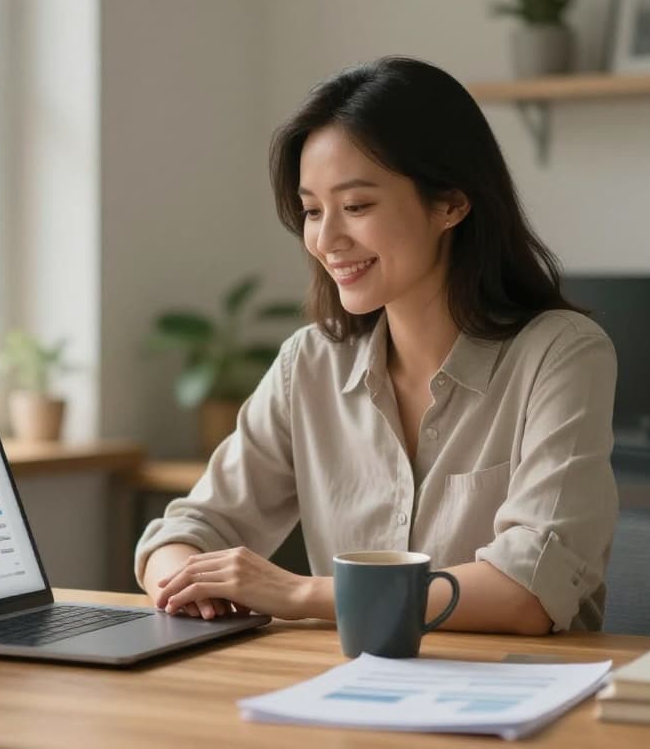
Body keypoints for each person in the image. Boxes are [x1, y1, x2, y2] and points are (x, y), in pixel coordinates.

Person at [135, 56, 618, 635]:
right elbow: (187, 530)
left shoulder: (561, 354)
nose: (327, 239)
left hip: (522, 697)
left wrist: (299, 592)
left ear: (451, 204)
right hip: (349, 695)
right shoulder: (309, 364)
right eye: (313, 211)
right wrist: (189, 583)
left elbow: (526, 594)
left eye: (357, 206)